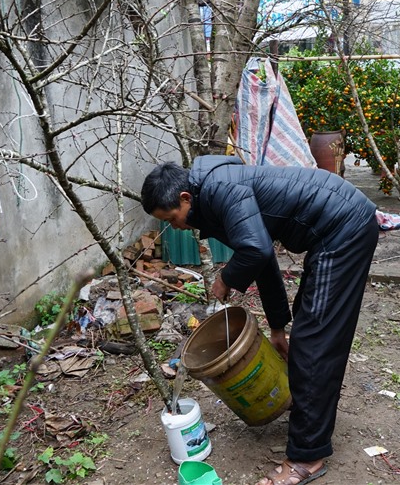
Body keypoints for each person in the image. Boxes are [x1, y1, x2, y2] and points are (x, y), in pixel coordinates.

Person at [141, 155, 379, 485]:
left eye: (172, 218)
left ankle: (307, 457)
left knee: (316, 339)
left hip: (344, 227)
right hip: (330, 231)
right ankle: (308, 406)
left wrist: (226, 277)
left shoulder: (221, 190)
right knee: (308, 325)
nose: (176, 226)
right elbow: (261, 259)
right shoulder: (209, 199)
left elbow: (255, 251)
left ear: (185, 199)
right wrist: (277, 328)